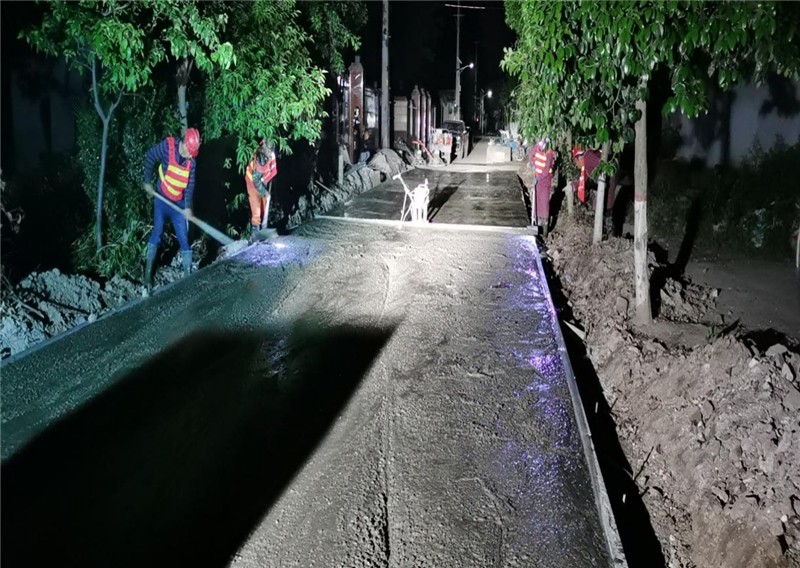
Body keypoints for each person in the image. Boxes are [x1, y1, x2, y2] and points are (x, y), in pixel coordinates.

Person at [142, 127, 200, 288]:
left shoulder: (191, 163)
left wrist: (187, 207)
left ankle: (187, 274)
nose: (191, 156)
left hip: (178, 204)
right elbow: (150, 155)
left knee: (183, 238)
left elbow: (190, 186)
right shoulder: (168, 147)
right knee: (157, 232)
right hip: (162, 200)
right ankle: (148, 274)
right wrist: (147, 181)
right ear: (184, 144)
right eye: (190, 152)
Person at [245, 139, 278, 242]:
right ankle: (255, 236)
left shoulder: (271, 154)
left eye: (271, 151)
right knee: (257, 211)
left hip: (262, 182)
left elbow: (274, 171)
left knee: (264, 206)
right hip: (252, 184)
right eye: (268, 151)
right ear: (264, 149)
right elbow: (255, 181)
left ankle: (263, 230)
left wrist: (265, 181)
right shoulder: (259, 158)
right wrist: (265, 193)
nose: (270, 153)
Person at [533, 138, 556, 236]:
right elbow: (532, 155)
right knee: (537, 202)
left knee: (544, 203)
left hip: (545, 181)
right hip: (537, 181)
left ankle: (545, 229)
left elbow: (546, 170)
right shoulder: (538, 147)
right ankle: (537, 223)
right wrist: (532, 164)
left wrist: (539, 177)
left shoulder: (549, 153)